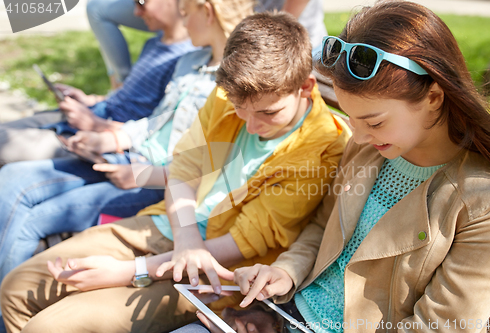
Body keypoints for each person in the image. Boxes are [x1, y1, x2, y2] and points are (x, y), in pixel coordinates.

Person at [0, 12, 351, 333]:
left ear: (305, 87)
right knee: (17, 287)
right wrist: (186, 241)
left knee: (50, 326)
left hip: (214, 274)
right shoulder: (231, 92)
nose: (252, 124)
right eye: (240, 109)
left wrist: (129, 271)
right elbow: (184, 166)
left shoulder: (323, 148)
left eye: (268, 113)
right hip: (173, 229)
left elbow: (245, 244)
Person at [206, 1, 490, 333]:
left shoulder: (485, 202)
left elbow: (441, 326)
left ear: (434, 97)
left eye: (373, 121)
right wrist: (286, 270)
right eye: (351, 118)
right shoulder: (369, 149)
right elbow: (323, 226)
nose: (357, 136)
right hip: (285, 314)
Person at [0, 0, 253, 289]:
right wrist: (109, 138)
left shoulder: (235, 86)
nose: (182, 23)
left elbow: (212, 161)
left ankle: (8, 311)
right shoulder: (189, 62)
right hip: (126, 159)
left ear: (207, 12)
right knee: (10, 177)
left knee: (32, 219)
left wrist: (141, 175)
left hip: (155, 181)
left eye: (185, 14)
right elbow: (155, 122)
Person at [0, 0, 195, 166]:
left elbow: (158, 133)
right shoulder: (155, 43)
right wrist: (89, 99)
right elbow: (129, 97)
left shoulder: (185, 62)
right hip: (92, 113)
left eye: (141, 2)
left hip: (99, 138)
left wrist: (96, 124)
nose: (136, 12)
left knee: (5, 145)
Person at [86, 0, 327, 90]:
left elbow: (284, 27)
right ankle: (122, 85)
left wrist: (272, 32)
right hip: (239, 27)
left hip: (290, 39)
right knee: (97, 8)